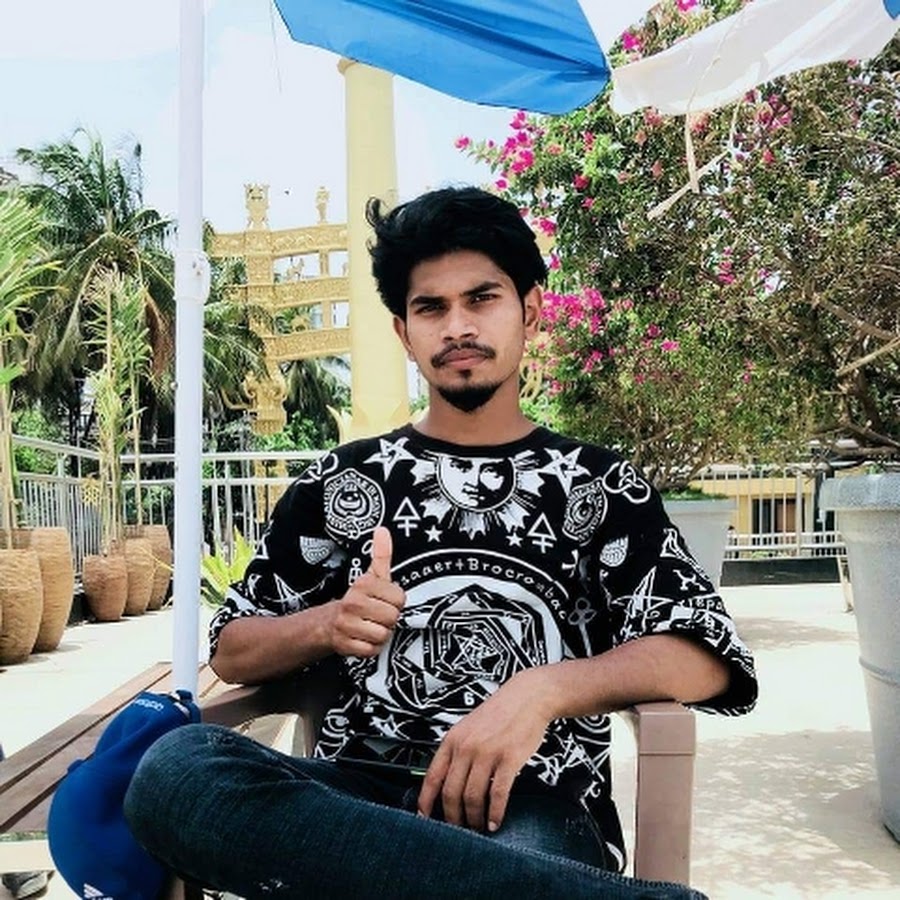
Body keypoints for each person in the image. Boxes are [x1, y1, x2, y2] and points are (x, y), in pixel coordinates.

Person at [125, 186, 757, 899]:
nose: (458, 326)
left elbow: (706, 657)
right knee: (176, 771)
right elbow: (233, 649)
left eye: (482, 298)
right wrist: (329, 623)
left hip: (528, 803)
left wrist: (542, 690)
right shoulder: (343, 480)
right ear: (404, 332)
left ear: (531, 310)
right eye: (431, 308)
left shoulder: (598, 485)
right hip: (354, 797)